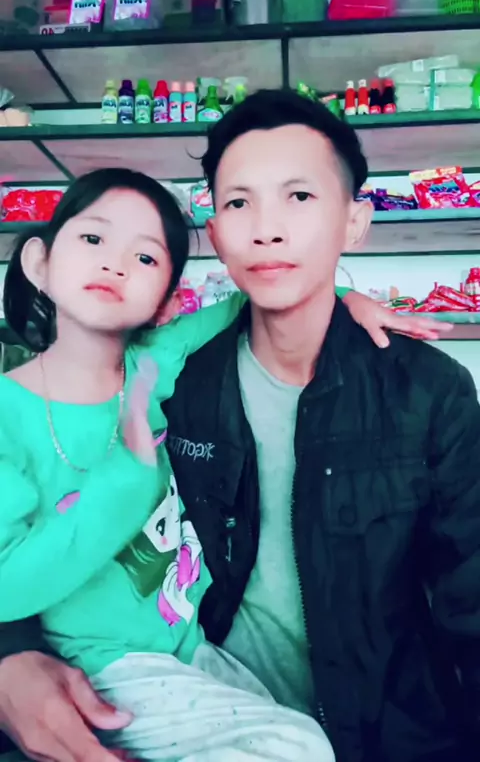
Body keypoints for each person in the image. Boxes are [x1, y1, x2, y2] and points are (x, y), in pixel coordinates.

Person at [0, 92, 464, 762]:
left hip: (324, 711)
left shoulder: (426, 390)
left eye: (299, 196)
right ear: (217, 234)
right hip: (144, 680)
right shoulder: (176, 384)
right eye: (241, 202)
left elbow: (468, 599)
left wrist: (347, 297)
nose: (267, 230)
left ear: (353, 221)